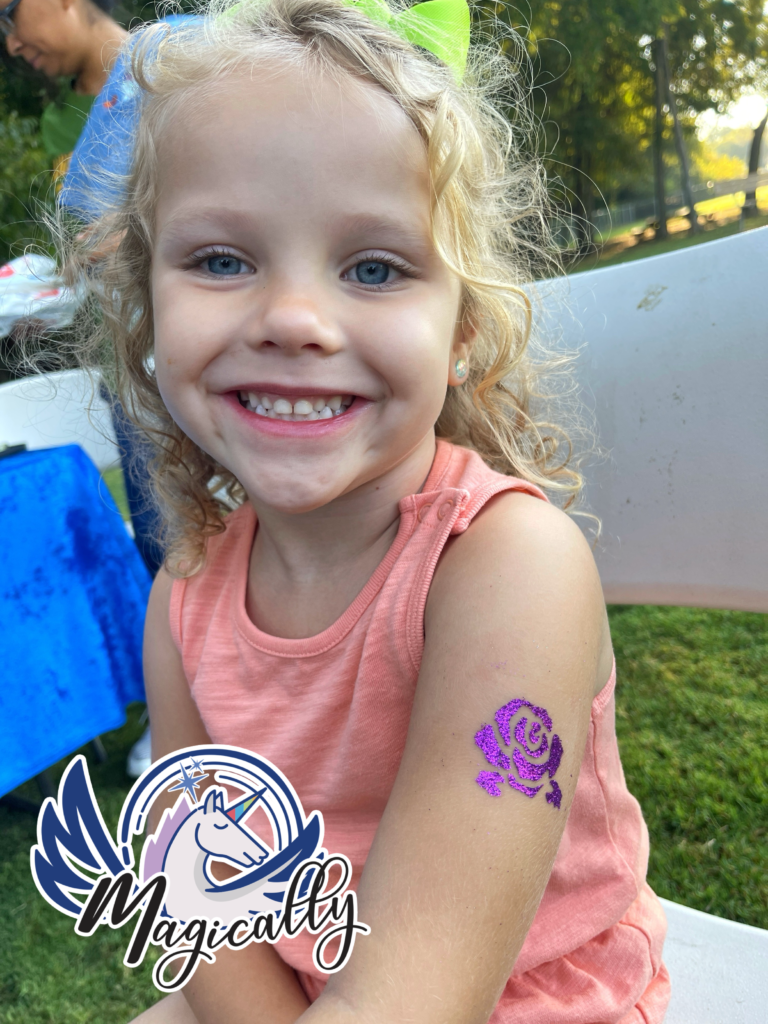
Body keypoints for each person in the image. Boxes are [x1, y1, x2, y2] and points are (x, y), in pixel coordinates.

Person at [70, 1, 671, 1021]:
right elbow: (197, 888)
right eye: (222, 259)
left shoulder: (509, 569)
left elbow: (413, 1000)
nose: (295, 319)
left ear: (464, 328)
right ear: (146, 304)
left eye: (374, 268)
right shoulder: (186, 591)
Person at [0, 0, 128, 182]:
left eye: (10, 15)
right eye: (3, 29)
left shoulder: (174, 58)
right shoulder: (58, 125)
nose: (12, 47)